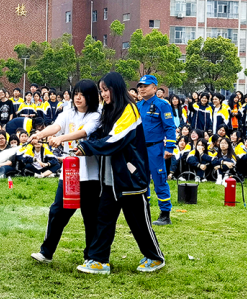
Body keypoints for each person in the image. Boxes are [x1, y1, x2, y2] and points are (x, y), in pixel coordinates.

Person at [75, 73, 166, 275]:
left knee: (139, 222)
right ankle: (99, 260)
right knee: (104, 218)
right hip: (110, 179)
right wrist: (78, 140)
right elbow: (99, 133)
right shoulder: (108, 110)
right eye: (101, 90)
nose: (103, 94)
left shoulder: (130, 110)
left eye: (106, 90)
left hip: (131, 177)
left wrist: (87, 147)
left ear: (116, 89)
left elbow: (116, 139)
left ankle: (155, 257)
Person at [27, 80, 105, 264]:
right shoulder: (68, 113)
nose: (78, 98)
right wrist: (40, 135)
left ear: (91, 96)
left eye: (83, 94)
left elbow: (84, 133)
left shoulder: (97, 115)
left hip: (91, 175)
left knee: (91, 217)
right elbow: (56, 126)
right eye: (76, 93)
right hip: (69, 173)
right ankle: (46, 252)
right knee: (57, 212)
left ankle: (91, 257)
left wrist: (60, 138)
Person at [135, 75, 177, 226]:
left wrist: (169, 147)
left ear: (154, 88)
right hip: (139, 150)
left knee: (159, 180)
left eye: (145, 86)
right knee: (141, 180)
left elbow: (170, 127)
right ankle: (144, 211)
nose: (141, 88)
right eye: (140, 86)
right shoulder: (138, 106)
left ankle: (165, 214)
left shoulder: (162, 105)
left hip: (156, 148)